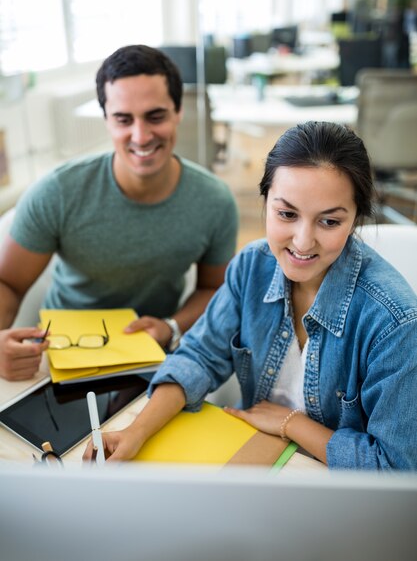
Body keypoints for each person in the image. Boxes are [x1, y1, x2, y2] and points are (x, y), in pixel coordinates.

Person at [84, 121, 417, 470]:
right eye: (287, 214)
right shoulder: (252, 267)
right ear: (266, 200)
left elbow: (396, 468)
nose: (302, 242)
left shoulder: (396, 323)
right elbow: (198, 356)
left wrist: (292, 424)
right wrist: (135, 432)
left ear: (356, 218)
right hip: (256, 462)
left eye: (329, 222)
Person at [0, 44, 238, 381]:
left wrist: (172, 327)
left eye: (155, 116)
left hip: (152, 360)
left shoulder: (214, 200)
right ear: (107, 120)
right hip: (62, 361)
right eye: (123, 119)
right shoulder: (58, 192)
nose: (141, 136)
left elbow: (215, 289)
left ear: (178, 111)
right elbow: (7, 282)